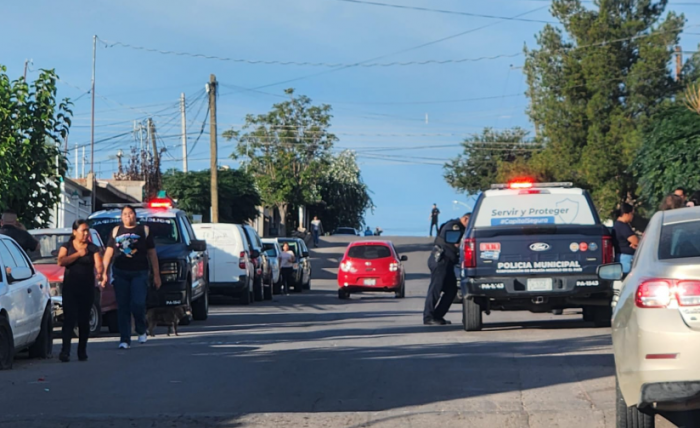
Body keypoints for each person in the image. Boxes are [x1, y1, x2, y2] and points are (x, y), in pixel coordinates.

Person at [101, 205, 160, 349]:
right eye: (125, 214)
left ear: (135, 215)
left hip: (139, 272)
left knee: (138, 303)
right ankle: (124, 339)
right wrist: (104, 273)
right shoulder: (116, 231)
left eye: (130, 213)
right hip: (120, 272)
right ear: (121, 217)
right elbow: (108, 253)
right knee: (123, 306)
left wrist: (156, 275)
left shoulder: (143, 230)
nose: (128, 216)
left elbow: (152, 253)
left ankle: (141, 329)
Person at [56, 220, 103, 362]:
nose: (86, 233)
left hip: (87, 288)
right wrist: (78, 254)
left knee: (84, 320)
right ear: (74, 232)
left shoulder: (92, 248)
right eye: (83, 230)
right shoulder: (67, 246)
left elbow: (99, 265)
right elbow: (61, 261)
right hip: (70, 288)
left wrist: (100, 273)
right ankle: (65, 351)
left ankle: (82, 351)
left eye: (87, 230)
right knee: (69, 319)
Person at [423, 213, 470, 326]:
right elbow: (455, 243)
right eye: (470, 222)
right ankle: (428, 317)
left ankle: (438, 316)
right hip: (441, 260)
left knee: (451, 290)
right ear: (465, 219)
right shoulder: (454, 226)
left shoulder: (454, 225)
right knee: (436, 289)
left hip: (447, 261)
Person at [612, 203, 639, 274]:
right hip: (626, 258)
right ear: (626, 214)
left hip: (623, 257)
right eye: (632, 214)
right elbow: (636, 241)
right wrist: (635, 244)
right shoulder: (622, 226)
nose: (632, 216)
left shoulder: (618, 225)